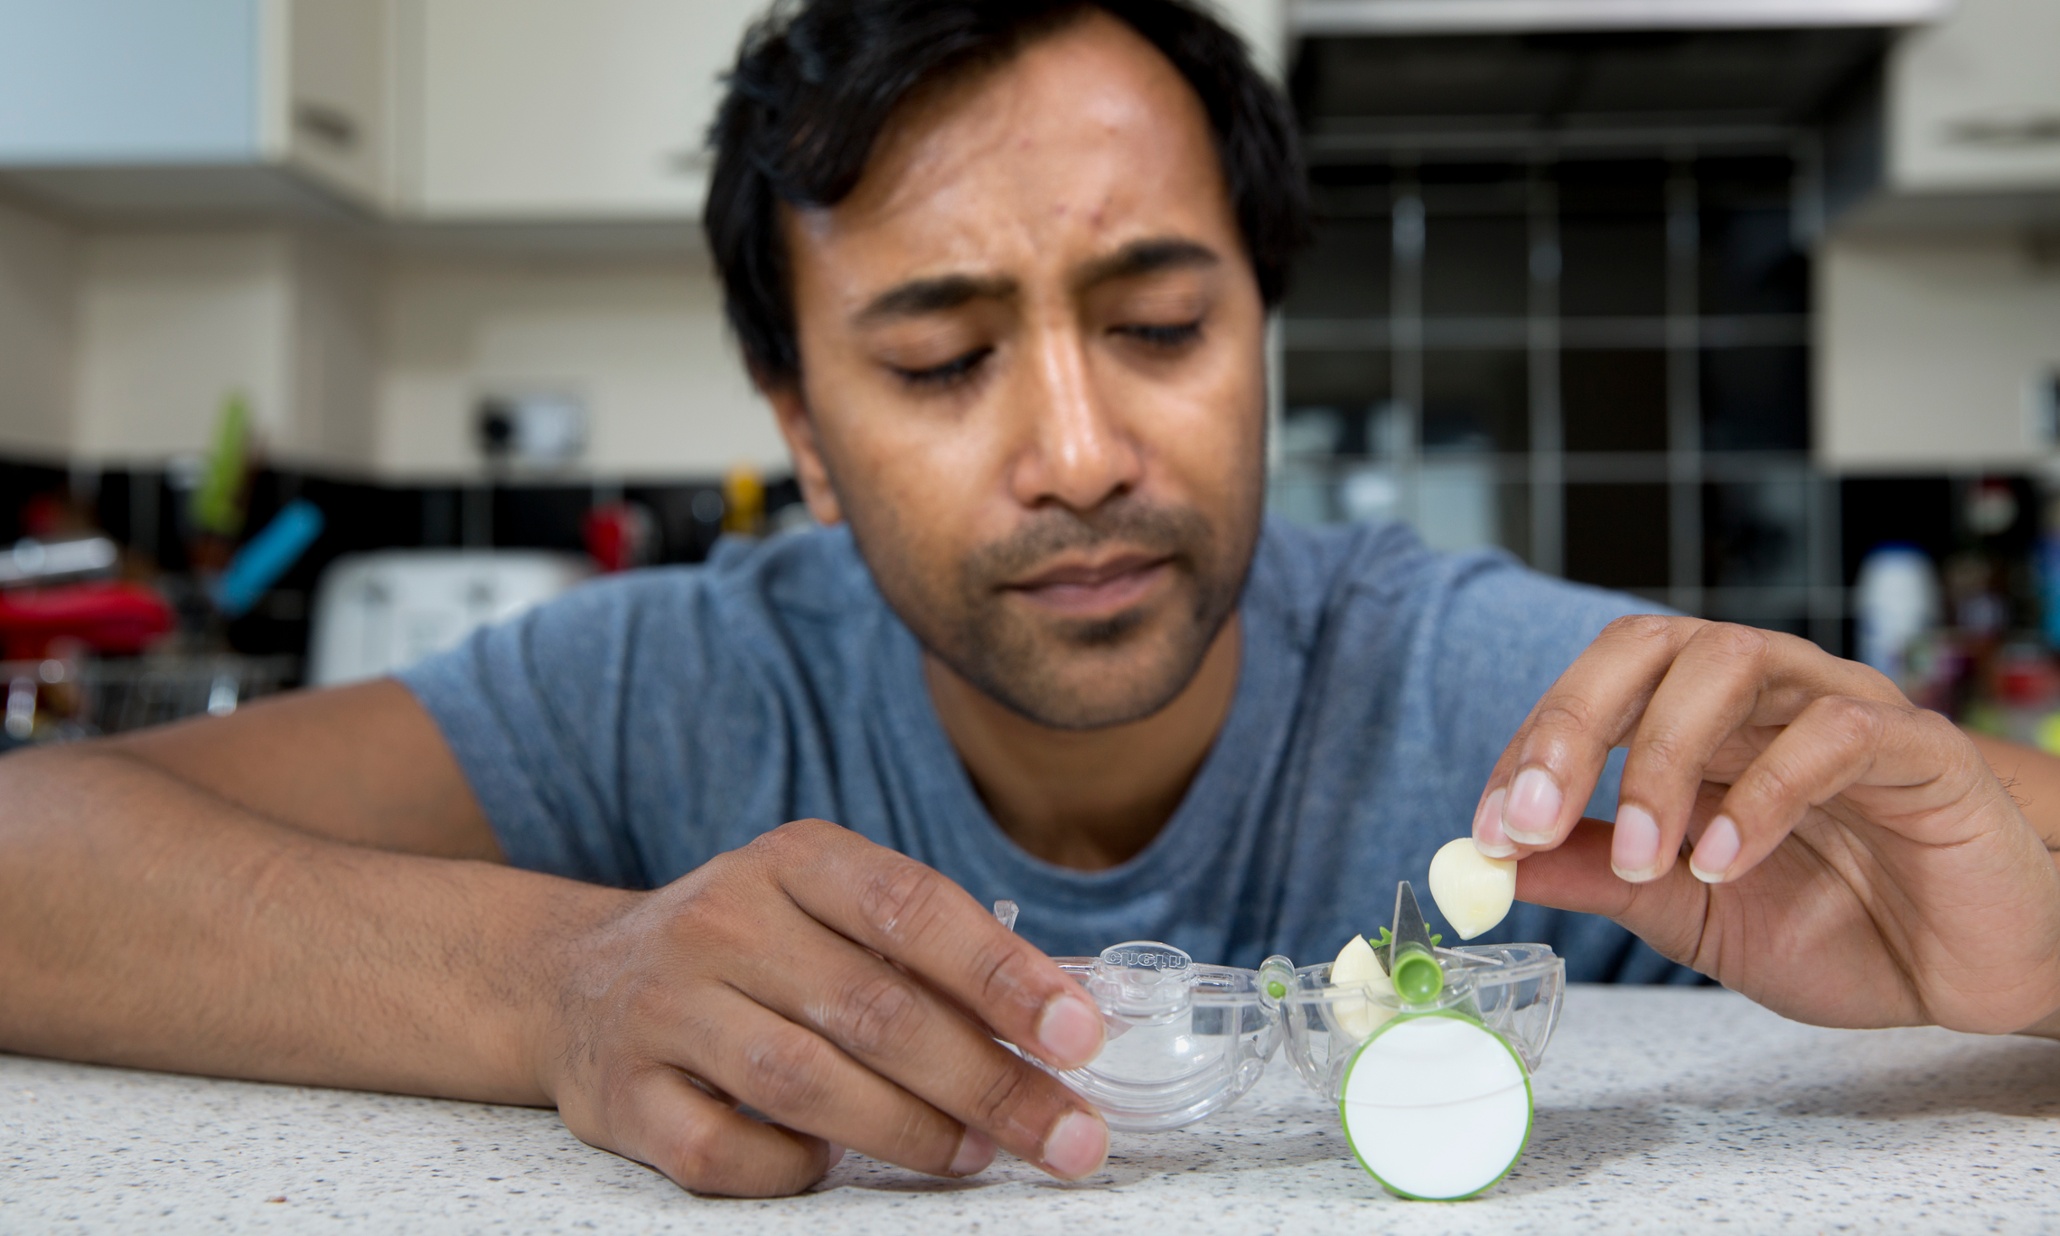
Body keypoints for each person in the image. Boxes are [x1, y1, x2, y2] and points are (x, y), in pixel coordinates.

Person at [2, 0, 2056, 1202]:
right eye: (937, 361)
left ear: (1262, 327)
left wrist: (2035, 945)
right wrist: (555, 983)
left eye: (1158, 321)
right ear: (800, 429)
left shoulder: (1491, 699)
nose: (1075, 449)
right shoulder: (674, 684)